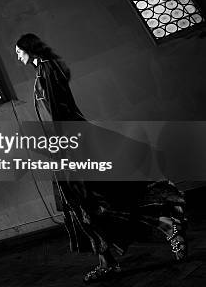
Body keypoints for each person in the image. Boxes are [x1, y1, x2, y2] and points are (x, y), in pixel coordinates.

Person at [15, 33, 188, 283]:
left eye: (18, 50)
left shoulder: (48, 70)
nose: (16, 55)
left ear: (29, 48)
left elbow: (60, 115)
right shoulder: (44, 71)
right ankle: (109, 260)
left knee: (94, 202)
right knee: (85, 206)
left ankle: (164, 225)